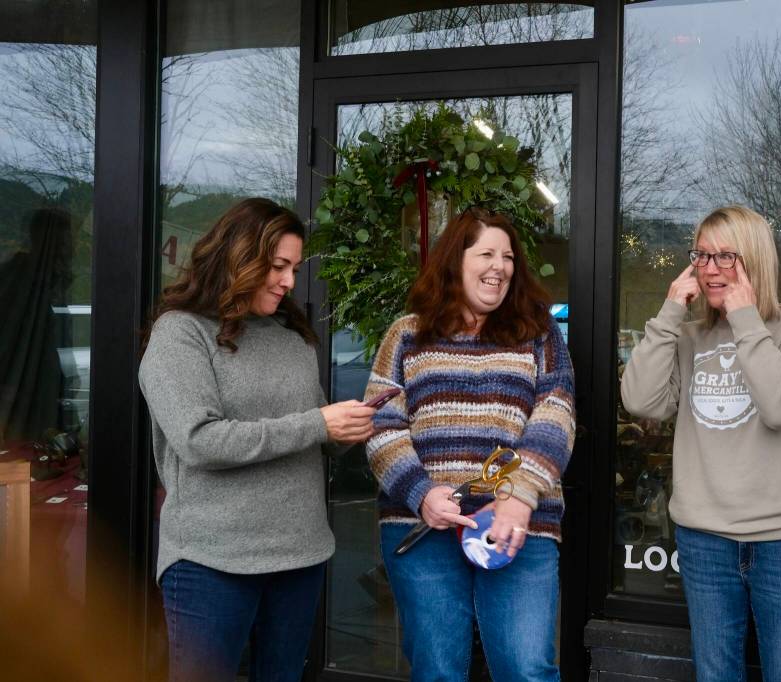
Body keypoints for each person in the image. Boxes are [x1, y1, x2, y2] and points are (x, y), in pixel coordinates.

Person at [138, 198, 377, 682]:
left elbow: (317, 436)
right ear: (237, 257)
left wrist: (355, 424)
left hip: (300, 554)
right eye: (278, 266)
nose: (290, 281)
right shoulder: (180, 333)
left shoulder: (292, 334)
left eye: (294, 267)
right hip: (211, 560)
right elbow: (200, 440)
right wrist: (318, 424)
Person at [621, 206, 781, 682]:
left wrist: (745, 319)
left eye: (724, 257)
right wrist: (671, 310)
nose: (710, 268)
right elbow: (640, 400)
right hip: (706, 539)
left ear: (754, 260)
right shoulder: (689, 335)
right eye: (701, 255)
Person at [364, 206, 575, 681]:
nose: (499, 266)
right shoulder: (407, 335)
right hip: (423, 527)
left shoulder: (539, 333)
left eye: (507, 257)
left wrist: (520, 496)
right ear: (455, 261)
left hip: (519, 525)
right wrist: (422, 494)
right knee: (437, 671)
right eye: (486, 254)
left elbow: (557, 414)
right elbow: (382, 426)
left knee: (527, 669)